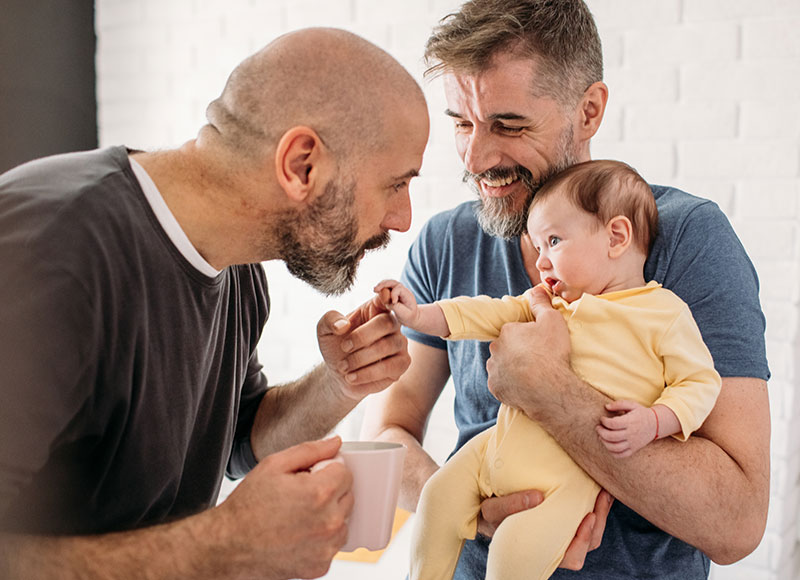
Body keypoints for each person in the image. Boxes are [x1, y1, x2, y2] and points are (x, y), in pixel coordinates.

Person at [0, 28, 429, 579]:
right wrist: (225, 542)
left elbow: (235, 442)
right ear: (301, 165)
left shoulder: (238, 267)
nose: (403, 219)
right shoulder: (54, 252)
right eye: (396, 184)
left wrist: (339, 381)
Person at [360, 1, 771, 578]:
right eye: (461, 122)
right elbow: (386, 431)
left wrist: (549, 391)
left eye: (508, 124)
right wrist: (470, 511)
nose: (476, 158)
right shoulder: (445, 241)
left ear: (589, 110)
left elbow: (738, 524)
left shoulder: (684, 240)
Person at [374, 159, 722, 580]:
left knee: (514, 556)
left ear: (616, 237)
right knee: (437, 499)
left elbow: (700, 383)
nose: (541, 263)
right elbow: (484, 312)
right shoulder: (548, 302)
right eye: (538, 247)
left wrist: (654, 421)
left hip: (567, 479)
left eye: (554, 241)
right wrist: (419, 315)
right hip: (494, 448)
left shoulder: (663, 313)